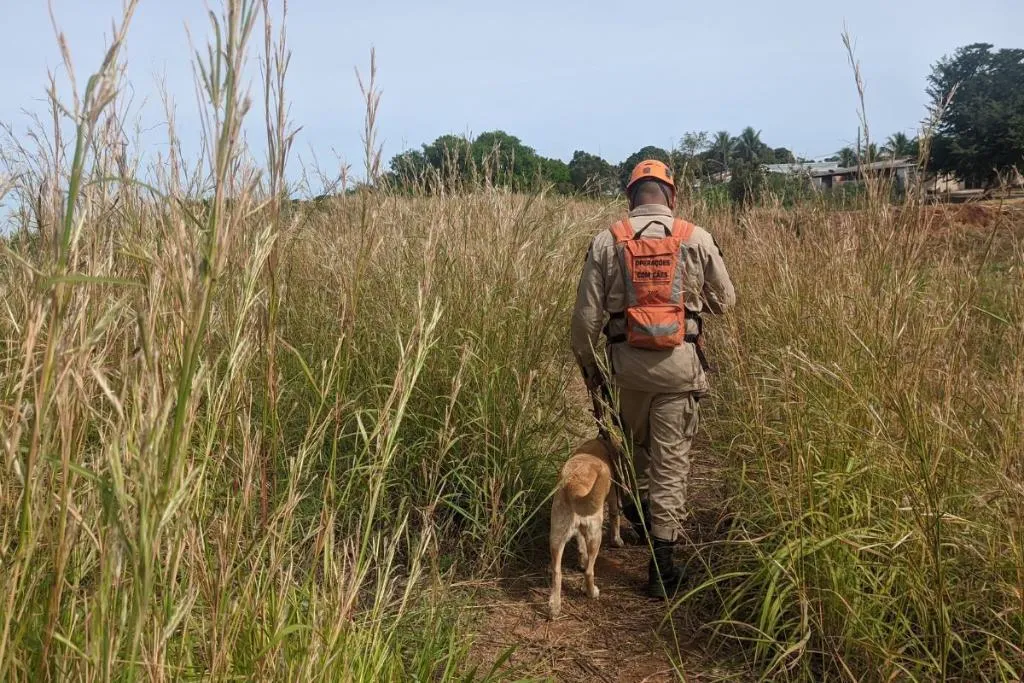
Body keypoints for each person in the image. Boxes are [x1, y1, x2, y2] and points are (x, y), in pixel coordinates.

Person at [570, 159, 735, 598]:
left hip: (625, 371)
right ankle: (662, 569)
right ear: (671, 196)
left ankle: (638, 514)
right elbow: (726, 301)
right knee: (671, 463)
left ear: (631, 197)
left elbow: (585, 321)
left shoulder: (607, 240)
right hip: (679, 371)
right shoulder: (695, 238)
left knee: (634, 446)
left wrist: (593, 373)